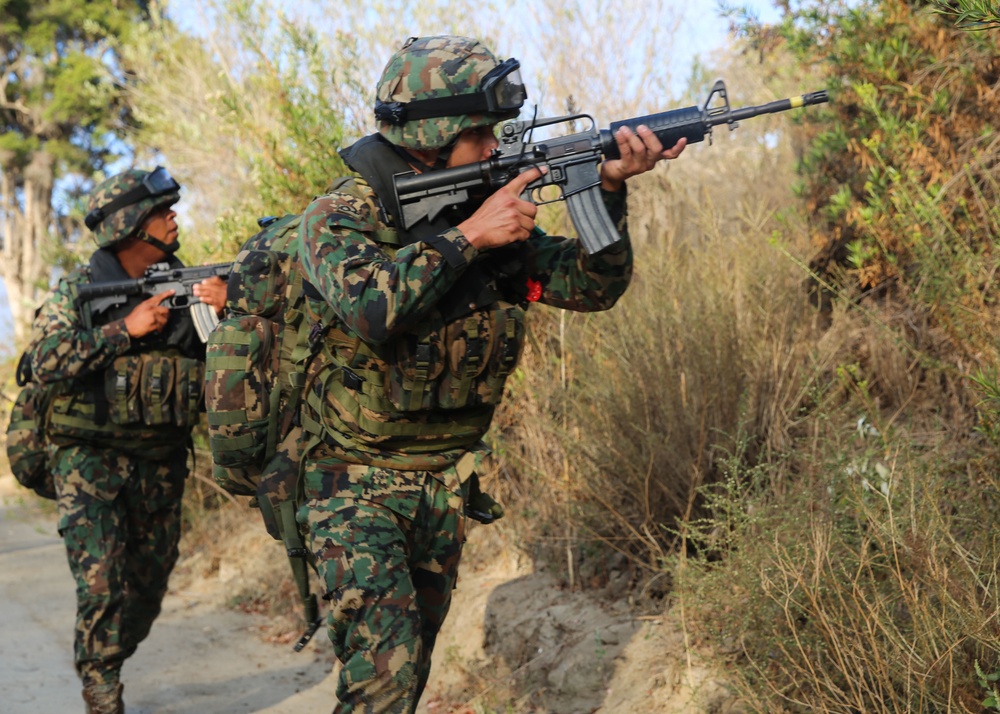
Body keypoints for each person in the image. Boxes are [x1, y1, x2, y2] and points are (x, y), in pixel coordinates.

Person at [295, 35, 685, 712]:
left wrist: (611, 190)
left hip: (442, 487)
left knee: (403, 678)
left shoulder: (483, 214)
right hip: (350, 486)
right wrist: (469, 238)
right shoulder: (341, 216)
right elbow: (368, 306)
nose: (494, 145)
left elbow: (593, 287)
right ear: (433, 135)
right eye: (480, 133)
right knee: (383, 682)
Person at [24, 167, 227, 714]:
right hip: (89, 463)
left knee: (147, 588)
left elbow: (228, 377)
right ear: (131, 225)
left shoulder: (191, 289)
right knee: (102, 585)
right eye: (162, 211)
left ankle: (103, 655)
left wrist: (231, 318)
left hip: (160, 464)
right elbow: (41, 362)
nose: (174, 217)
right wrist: (124, 330)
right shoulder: (78, 291)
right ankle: (102, 687)